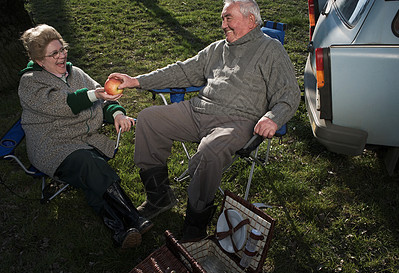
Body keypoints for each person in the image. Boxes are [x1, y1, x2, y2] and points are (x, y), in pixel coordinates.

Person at [109, 0, 301, 241]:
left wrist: (273, 118)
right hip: (198, 110)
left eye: (228, 18)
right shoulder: (217, 49)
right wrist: (137, 80)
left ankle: (195, 223)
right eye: (222, 19)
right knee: (149, 119)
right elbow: (182, 71)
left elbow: (290, 94)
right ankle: (159, 197)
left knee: (210, 150)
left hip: (238, 121)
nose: (223, 25)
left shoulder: (271, 50)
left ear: (251, 20)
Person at [18, 24, 153, 249]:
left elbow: (103, 97)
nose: (62, 56)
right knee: (89, 164)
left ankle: (119, 232)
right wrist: (92, 94)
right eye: (54, 54)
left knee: (91, 173)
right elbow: (63, 104)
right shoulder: (30, 82)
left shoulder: (76, 73)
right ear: (40, 61)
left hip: (81, 140)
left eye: (62, 49)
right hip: (51, 144)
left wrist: (117, 113)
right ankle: (133, 217)